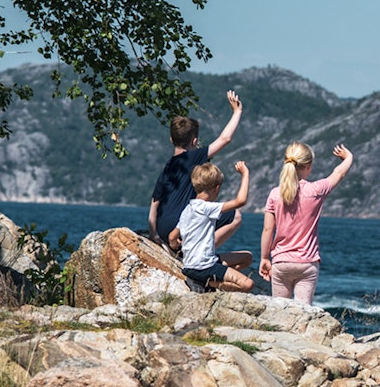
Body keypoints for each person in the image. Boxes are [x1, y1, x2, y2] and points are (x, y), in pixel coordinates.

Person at [149, 90, 244, 251]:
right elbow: (225, 139)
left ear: (171, 140)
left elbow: (154, 206)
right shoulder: (193, 157)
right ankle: (202, 255)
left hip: (162, 229)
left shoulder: (168, 168)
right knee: (236, 217)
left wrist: (154, 235)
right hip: (178, 228)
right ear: (194, 141)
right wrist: (237, 111)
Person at [259, 141, 354, 303]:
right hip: (307, 263)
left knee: (280, 313)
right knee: (304, 314)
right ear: (308, 165)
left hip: (281, 262)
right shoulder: (316, 191)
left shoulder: (275, 194)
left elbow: (268, 230)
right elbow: (339, 173)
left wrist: (264, 258)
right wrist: (349, 157)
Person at [169, 160, 254, 292]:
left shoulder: (188, 209)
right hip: (204, 267)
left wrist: (176, 244)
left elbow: (172, 237)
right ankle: (211, 283)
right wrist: (245, 174)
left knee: (247, 257)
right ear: (217, 188)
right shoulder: (207, 208)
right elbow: (240, 201)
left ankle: (217, 276)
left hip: (191, 265)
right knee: (247, 284)